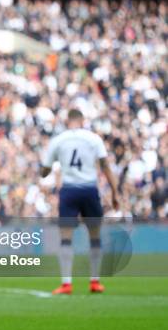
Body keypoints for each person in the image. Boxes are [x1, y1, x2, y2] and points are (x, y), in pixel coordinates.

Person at [41, 109, 119, 295]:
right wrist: (115, 192)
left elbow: (45, 170)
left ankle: (66, 283)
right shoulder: (93, 139)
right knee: (95, 236)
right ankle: (95, 282)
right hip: (89, 189)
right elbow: (106, 166)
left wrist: (47, 170)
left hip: (69, 190)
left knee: (66, 237)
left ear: (68, 120)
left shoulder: (58, 140)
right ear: (82, 120)